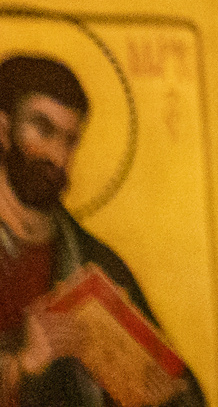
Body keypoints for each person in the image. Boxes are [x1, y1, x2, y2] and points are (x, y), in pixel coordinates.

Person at [0, 56, 201, 407]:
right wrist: (22, 364)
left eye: (70, 140)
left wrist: (160, 397)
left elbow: (183, 391)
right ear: (3, 131)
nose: (58, 156)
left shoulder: (93, 263)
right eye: (43, 129)